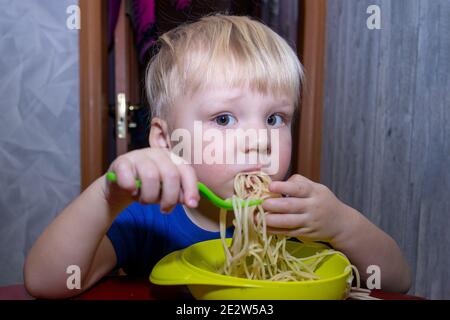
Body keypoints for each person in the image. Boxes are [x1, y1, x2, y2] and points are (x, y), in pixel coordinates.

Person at [24, 14, 411, 299]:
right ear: (166, 139)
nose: (259, 140)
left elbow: (395, 280)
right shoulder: (149, 219)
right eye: (224, 118)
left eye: (275, 118)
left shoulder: (297, 215)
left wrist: (343, 225)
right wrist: (107, 197)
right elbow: (47, 281)